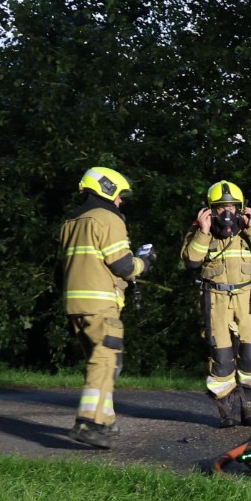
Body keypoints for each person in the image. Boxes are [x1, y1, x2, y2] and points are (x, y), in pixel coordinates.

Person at [60, 166, 155, 448]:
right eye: (119, 195)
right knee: (104, 360)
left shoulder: (70, 222)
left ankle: (105, 419)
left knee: (102, 361)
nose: (121, 201)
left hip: (75, 304)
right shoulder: (108, 219)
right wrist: (144, 263)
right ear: (107, 189)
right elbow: (123, 266)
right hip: (100, 303)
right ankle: (88, 423)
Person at [181, 180, 251, 429]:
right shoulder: (199, 230)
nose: (227, 212)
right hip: (215, 299)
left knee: (250, 354)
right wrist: (203, 231)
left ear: (241, 208)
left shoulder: (250, 229)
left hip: (248, 298)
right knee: (222, 357)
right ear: (210, 209)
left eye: (232, 207)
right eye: (221, 207)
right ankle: (227, 411)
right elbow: (191, 261)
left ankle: (250, 409)